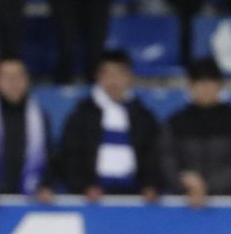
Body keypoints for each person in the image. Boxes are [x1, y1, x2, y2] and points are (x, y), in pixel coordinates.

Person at [52, 49, 166, 200]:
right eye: (107, 74)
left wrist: (150, 185)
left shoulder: (144, 117)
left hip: (135, 200)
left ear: (129, 77)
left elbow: (154, 157)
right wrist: (84, 186)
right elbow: (70, 157)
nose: (113, 80)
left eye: (119, 74)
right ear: (98, 77)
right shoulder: (81, 116)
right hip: (92, 199)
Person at [162, 58, 231, 206]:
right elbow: (166, 161)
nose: (205, 88)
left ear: (220, 85)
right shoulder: (175, 123)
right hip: (184, 205)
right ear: (190, 85)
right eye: (199, 82)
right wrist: (183, 181)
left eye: (210, 82)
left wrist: (205, 185)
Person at [0, 58, 54, 209]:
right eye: (6, 77)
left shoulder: (40, 116)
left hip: (30, 202)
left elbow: (50, 157)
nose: (13, 82)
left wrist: (45, 185)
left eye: (18, 76)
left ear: (27, 80)